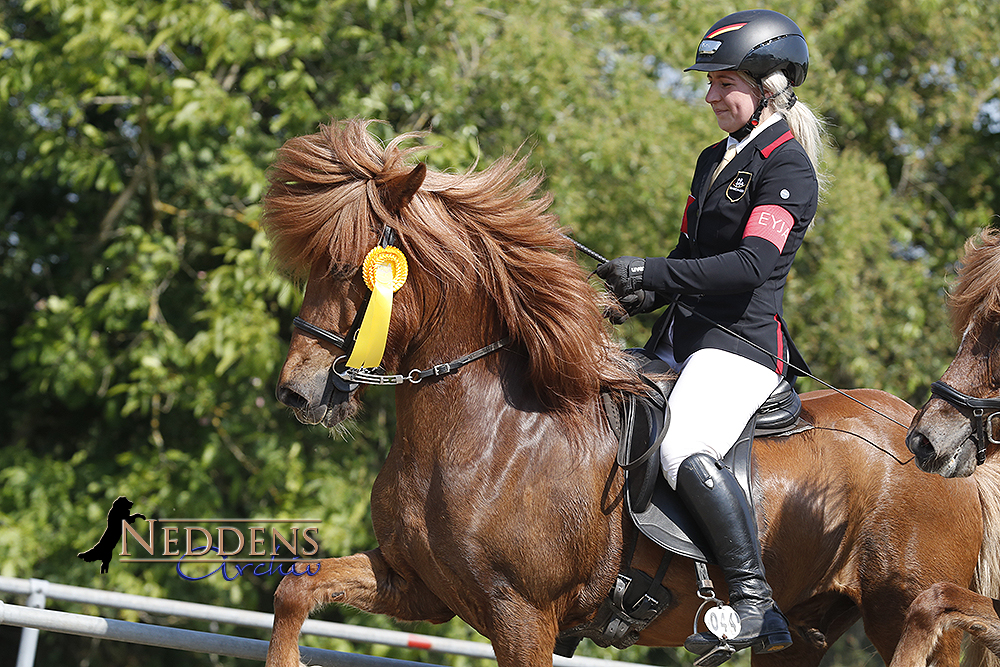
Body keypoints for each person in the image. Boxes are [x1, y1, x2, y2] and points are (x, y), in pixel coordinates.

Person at [596, 8, 826, 663]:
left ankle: (754, 603)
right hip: (682, 338)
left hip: (740, 346)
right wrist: (633, 292)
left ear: (769, 85)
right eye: (710, 82)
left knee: (684, 443)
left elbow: (752, 265)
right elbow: (687, 255)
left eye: (723, 82)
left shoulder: (789, 170)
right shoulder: (713, 159)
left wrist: (657, 270)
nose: (709, 96)